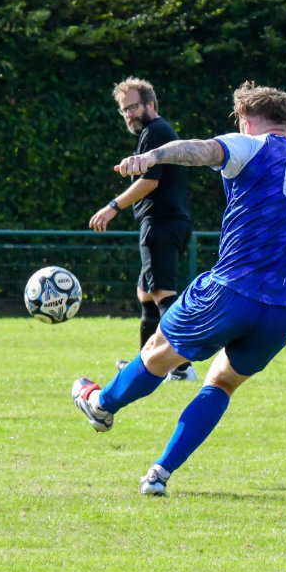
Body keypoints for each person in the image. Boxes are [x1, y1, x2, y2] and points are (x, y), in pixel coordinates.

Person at [72, 81, 286, 496]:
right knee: (222, 383)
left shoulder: (250, 145)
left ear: (246, 121)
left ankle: (101, 405)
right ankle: (159, 475)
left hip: (233, 289)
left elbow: (201, 150)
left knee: (157, 353)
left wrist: (153, 156)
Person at [88, 77, 196, 382]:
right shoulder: (157, 131)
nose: (128, 115)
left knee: (163, 295)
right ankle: (145, 365)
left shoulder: (155, 131)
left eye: (133, 107)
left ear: (150, 104)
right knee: (146, 294)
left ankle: (182, 367)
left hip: (160, 224)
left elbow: (150, 181)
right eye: (124, 110)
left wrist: (113, 206)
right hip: (168, 223)